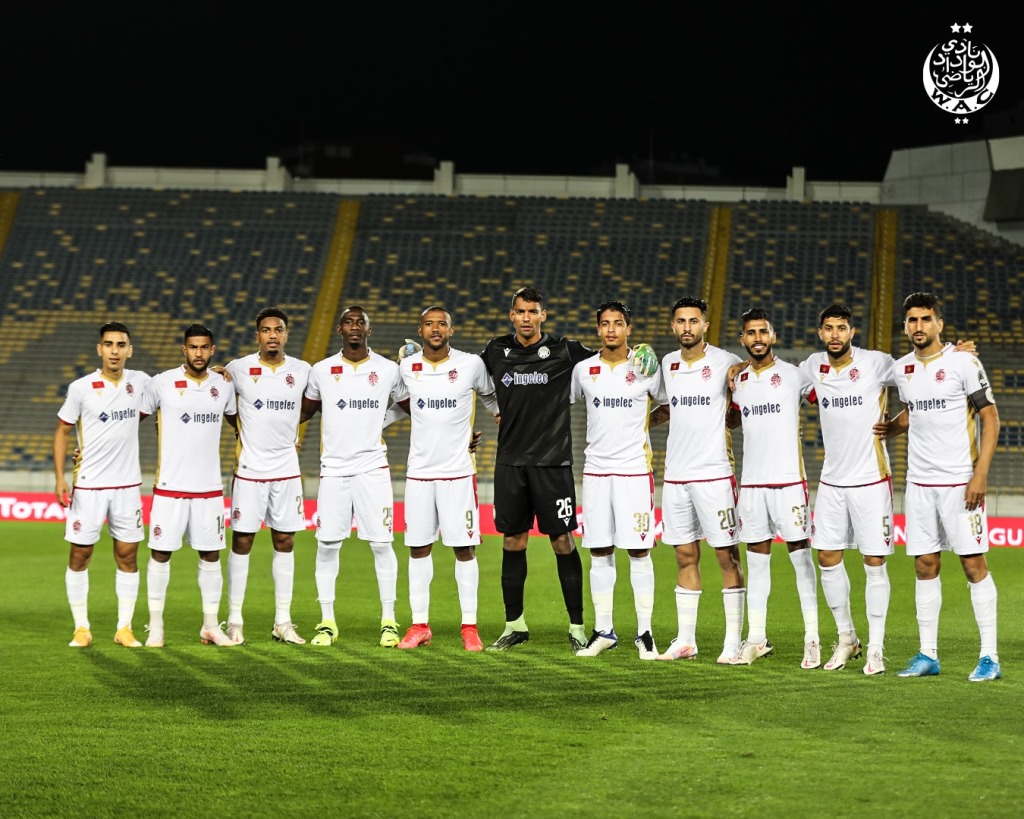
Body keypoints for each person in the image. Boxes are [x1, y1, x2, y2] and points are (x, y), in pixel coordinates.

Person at [479, 286, 658, 651]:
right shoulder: (495, 351)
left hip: (553, 463)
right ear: (511, 315)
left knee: (563, 541)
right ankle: (514, 624)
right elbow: (467, 377)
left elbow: (611, 355)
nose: (526, 317)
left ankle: (578, 628)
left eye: (533, 311)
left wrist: (643, 348)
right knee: (512, 541)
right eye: (520, 311)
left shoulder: (567, 352)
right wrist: (497, 411)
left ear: (544, 315)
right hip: (511, 463)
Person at [877, 292, 1000, 682]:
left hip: (961, 482)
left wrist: (980, 474)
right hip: (919, 483)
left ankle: (990, 657)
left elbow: (992, 419)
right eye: (912, 320)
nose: (918, 327)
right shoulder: (901, 370)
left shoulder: (964, 362)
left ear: (939, 324)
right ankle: (928, 654)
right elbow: (915, 409)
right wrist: (891, 427)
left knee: (973, 564)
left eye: (926, 319)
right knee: (924, 564)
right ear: (905, 326)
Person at [388, 306, 497, 652]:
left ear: (452, 330)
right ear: (419, 330)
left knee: (464, 548)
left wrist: (490, 428)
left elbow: (495, 402)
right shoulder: (406, 367)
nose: (436, 329)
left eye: (442, 324)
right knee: (418, 548)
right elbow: (399, 403)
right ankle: (420, 624)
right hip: (419, 473)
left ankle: (470, 627)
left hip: (457, 473)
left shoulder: (471, 365)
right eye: (429, 324)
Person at [649, 297, 746, 664]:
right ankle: (686, 640)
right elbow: (666, 408)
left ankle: (733, 642)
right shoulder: (668, 364)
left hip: (715, 474)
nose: (687, 327)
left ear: (705, 326)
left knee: (726, 556)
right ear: (673, 327)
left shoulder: (726, 363)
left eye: (693, 321)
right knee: (684, 556)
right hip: (675, 476)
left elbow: (738, 412)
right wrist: (635, 425)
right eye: (680, 321)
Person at [800, 304, 895, 675]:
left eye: (842, 328)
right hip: (832, 480)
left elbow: (918, 375)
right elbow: (776, 378)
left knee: (874, 563)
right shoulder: (811, 367)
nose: (835, 334)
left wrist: (953, 353)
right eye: (828, 328)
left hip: (872, 479)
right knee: (827, 558)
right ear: (820, 333)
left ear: (852, 332)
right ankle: (847, 639)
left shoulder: (876, 363)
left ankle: (876, 648)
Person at [301, 306, 404, 648]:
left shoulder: (388, 369)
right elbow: (304, 410)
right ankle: (327, 621)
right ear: (339, 329)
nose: (355, 327)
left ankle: (389, 620)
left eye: (361, 322)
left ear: (368, 331)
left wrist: (380, 422)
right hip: (333, 470)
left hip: (372, 469)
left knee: (381, 543)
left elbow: (408, 403)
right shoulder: (321, 371)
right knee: (327, 544)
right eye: (349, 322)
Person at [727, 308, 820, 668]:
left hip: (789, 484)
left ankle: (812, 638)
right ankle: (756, 638)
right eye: (751, 333)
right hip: (751, 485)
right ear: (743, 340)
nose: (758, 338)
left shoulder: (795, 376)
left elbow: (826, 398)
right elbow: (733, 418)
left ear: (773, 336)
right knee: (757, 563)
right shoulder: (740, 382)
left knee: (801, 560)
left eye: (763, 331)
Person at [570, 301, 662, 659]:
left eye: (618, 323)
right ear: (597, 330)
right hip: (595, 471)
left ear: (629, 329)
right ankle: (603, 630)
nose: (611, 329)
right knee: (600, 551)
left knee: (639, 551)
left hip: (634, 471)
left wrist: (642, 425)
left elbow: (669, 404)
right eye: (605, 324)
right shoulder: (584, 370)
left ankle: (645, 633)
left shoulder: (645, 368)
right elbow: (563, 400)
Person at [54, 322, 151, 648]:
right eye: (108, 344)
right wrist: (59, 478)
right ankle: (81, 627)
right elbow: (62, 431)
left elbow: (175, 391)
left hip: (126, 488)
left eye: (120, 344)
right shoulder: (81, 387)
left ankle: (124, 628)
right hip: (90, 487)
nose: (114, 350)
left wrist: (220, 374)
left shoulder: (141, 382)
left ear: (129, 350)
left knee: (128, 556)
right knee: (79, 556)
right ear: (100, 349)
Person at [140, 324, 237, 647]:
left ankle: (210, 625)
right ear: (184, 349)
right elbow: (129, 420)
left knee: (211, 556)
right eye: (193, 347)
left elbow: (240, 425)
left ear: (212, 350)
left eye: (204, 347)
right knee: (160, 555)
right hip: (170, 487)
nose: (198, 353)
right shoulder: (161, 383)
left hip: (209, 488)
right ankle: (156, 627)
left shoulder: (223, 385)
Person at [223, 307, 312, 645]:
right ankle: (234, 620)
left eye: (278, 329)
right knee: (242, 540)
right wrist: (245, 431)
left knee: (284, 541)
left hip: (287, 472)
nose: (272, 335)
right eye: (266, 329)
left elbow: (315, 403)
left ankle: (283, 621)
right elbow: (224, 405)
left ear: (286, 335)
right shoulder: (237, 369)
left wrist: (291, 428)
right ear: (256, 335)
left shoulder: (302, 370)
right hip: (249, 471)